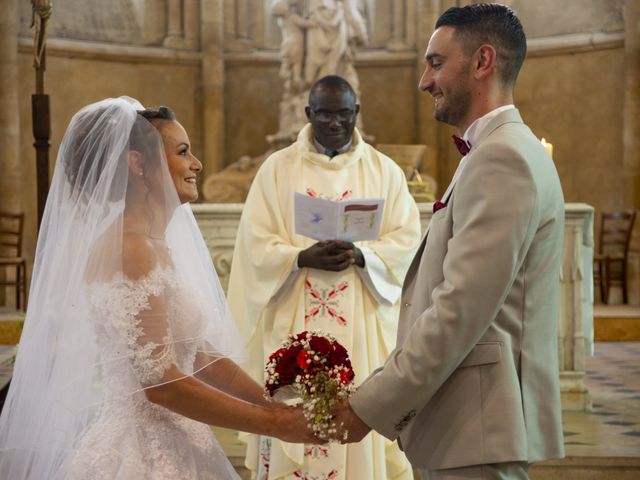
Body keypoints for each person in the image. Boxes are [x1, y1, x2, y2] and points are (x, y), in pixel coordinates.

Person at [0, 97, 314, 480]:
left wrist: (272, 404)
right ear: (137, 164)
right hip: (140, 453)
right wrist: (272, 425)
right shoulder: (130, 248)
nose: (197, 164)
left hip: (180, 438)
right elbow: (161, 384)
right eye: (183, 152)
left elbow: (195, 354)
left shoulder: (154, 243)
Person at [334, 4, 566, 480]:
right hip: (468, 424)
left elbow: (458, 310)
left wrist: (368, 406)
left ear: (483, 62)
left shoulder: (502, 157)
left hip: (476, 428)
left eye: (436, 62)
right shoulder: (493, 152)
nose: (424, 81)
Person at [227, 75, 420, 480]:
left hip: (361, 324)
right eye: (325, 114)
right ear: (308, 113)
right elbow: (253, 245)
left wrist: (363, 255)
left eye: (344, 114)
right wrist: (300, 256)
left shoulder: (384, 171)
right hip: (293, 316)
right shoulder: (276, 169)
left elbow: (406, 242)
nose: (335, 123)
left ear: (357, 114)